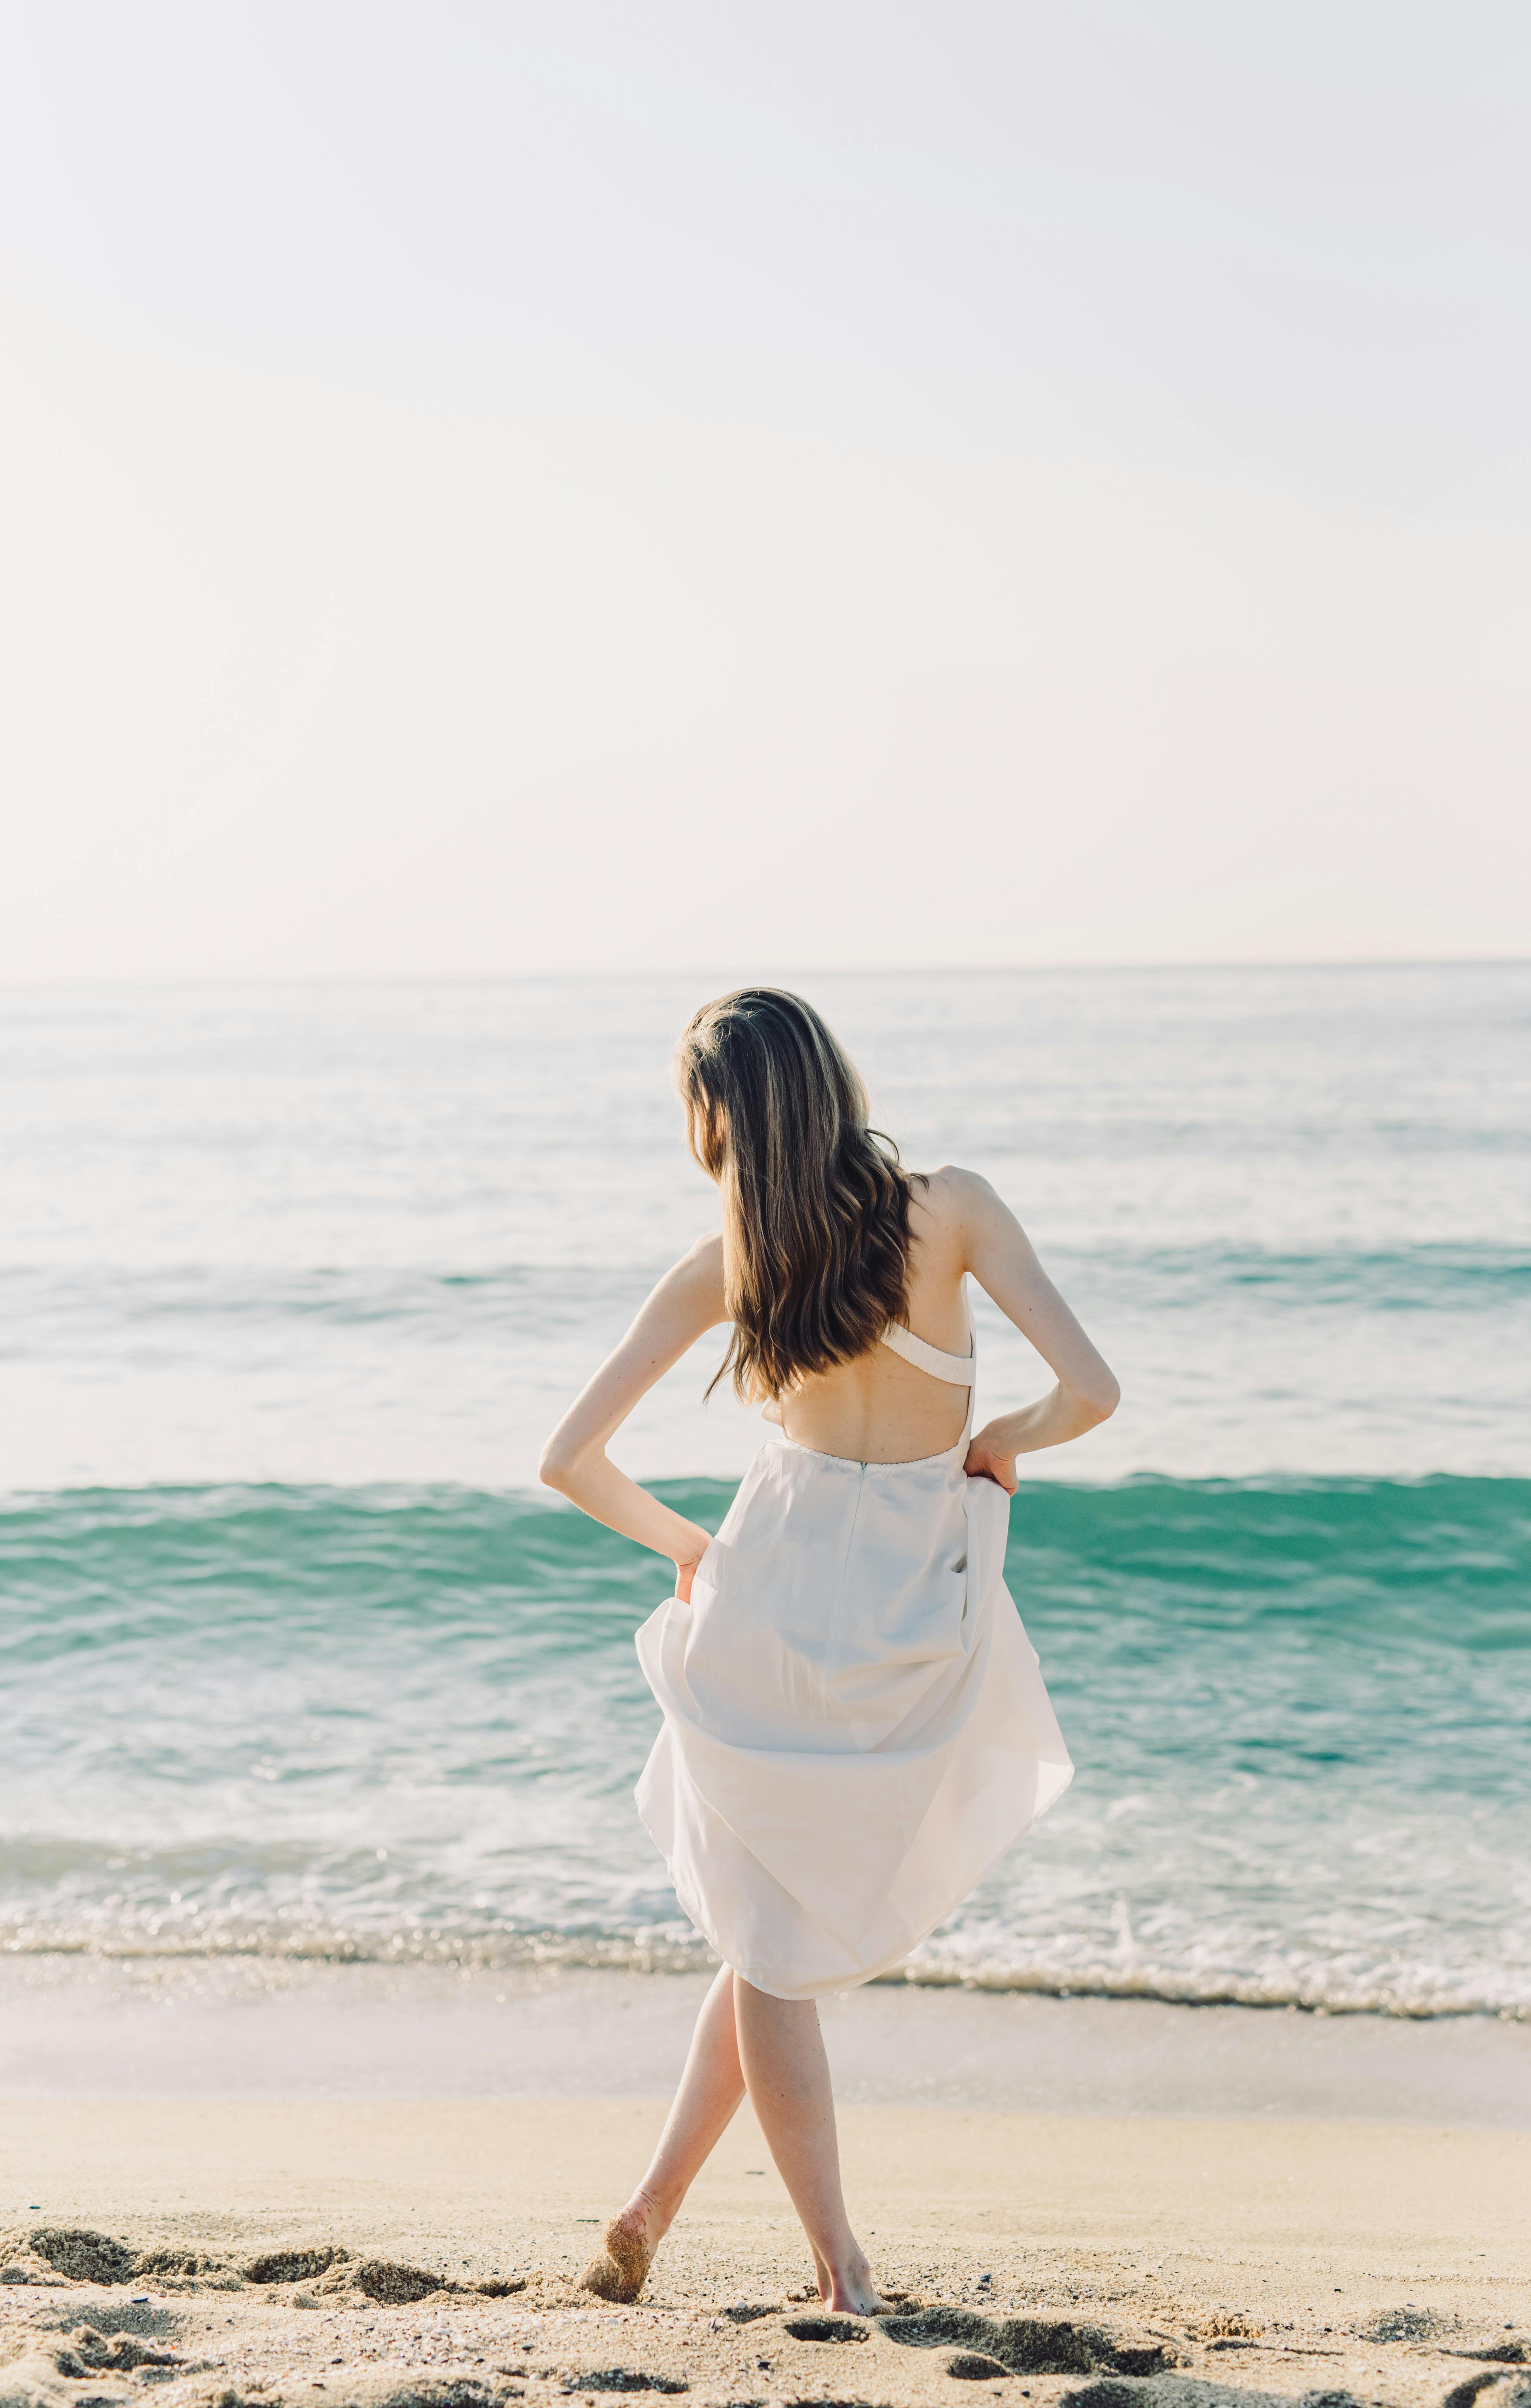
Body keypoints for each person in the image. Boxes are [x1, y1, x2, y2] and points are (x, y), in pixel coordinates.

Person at [539, 987, 1119, 2316]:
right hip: (912, 1606)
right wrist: (998, 1445)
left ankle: (686, 2223)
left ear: (721, 1121)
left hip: (764, 1594)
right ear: (831, 1079)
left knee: (769, 1943)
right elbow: (1094, 1389)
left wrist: (689, 1548)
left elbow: (569, 1460)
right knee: (772, 1943)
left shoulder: (724, 1266)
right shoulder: (954, 1208)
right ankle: (823, 2266)